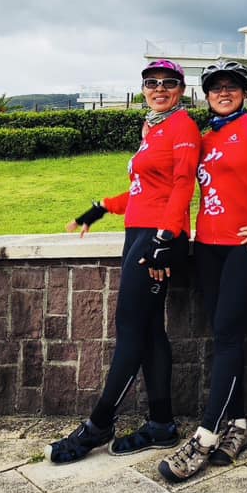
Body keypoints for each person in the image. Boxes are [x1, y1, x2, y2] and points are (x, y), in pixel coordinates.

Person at [46, 60, 201, 464]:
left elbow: (184, 184)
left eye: (169, 83)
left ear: (181, 89)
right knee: (150, 330)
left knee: (130, 328)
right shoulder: (154, 129)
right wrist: (98, 210)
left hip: (157, 237)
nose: (160, 88)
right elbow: (142, 189)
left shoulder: (182, 126)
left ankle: (99, 424)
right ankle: (162, 424)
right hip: (141, 231)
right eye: (152, 83)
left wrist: (166, 240)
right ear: (144, 89)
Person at [158, 60, 247, 482]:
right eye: (216, 87)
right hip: (208, 247)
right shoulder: (201, 138)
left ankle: (205, 433)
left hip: (246, 246)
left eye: (232, 86)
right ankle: (238, 424)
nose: (223, 92)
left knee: (230, 334)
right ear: (207, 94)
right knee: (222, 335)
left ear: (244, 92)